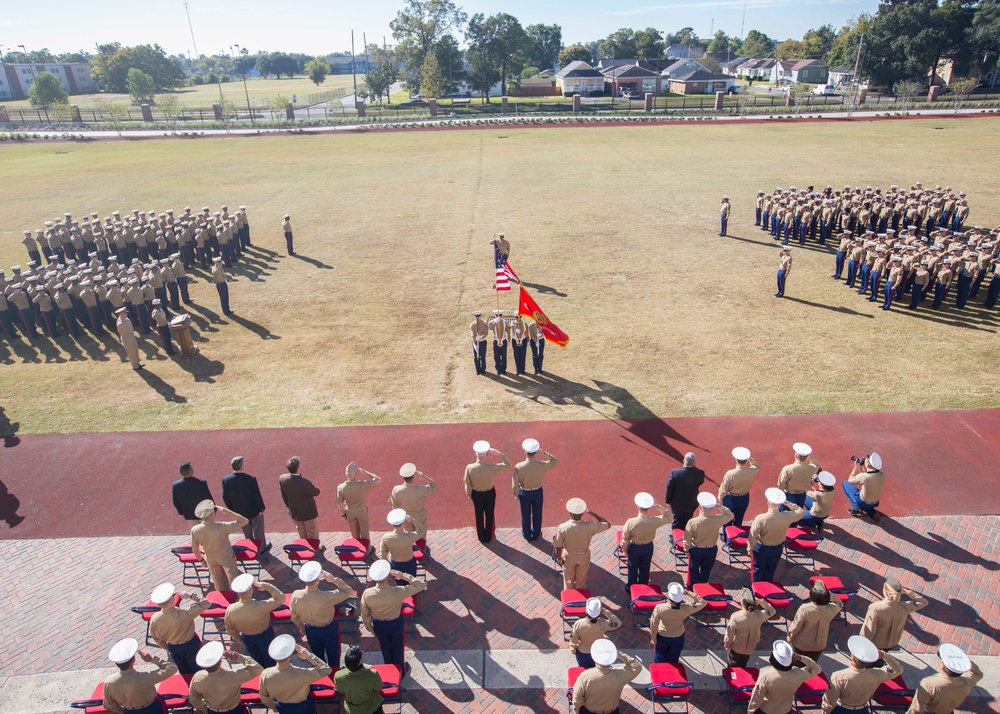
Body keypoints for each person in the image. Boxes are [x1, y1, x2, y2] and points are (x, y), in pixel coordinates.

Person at [360, 560, 427, 676]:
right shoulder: (397, 591)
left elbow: (365, 615)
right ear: (388, 576)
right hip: (395, 623)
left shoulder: (367, 593)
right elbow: (421, 585)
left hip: (379, 625)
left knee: (385, 649)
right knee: (398, 648)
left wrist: (370, 628)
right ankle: (400, 671)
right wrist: (403, 576)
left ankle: (389, 671)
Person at [290, 561, 354, 668]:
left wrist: (301, 627)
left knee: (317, 657)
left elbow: (294, 617)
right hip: (328, 629)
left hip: (310, 629)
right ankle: (334, 674)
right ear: (317, 581)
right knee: (333, 654)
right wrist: (333, 580)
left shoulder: (296, 595)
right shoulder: (326, 596)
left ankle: (322, 677)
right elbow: (348, 592)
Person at [821, 636, 902, 714]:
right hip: (863, 710)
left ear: (852, 657)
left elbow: (829, 702)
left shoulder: (839, 676)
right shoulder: (877, 675)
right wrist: (884, 655)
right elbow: (898, 669)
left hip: (842, 710)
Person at [258, 635, 332, 714]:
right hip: (304, 706)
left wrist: (273, 706)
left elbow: (264, 697)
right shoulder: (301, 673)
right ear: (290, 656)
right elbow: (326, 670)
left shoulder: (266, 674)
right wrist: (309, 656)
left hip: (283, 707)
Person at [224, 574, 285, 669]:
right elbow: (281, 598)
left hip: (247, 638)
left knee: (256, 658)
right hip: (265, 635)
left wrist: (238, 638)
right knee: (270, 657)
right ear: (251, 590)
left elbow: (230, 629)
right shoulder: (261, 605)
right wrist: (266, 586)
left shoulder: (230, 609)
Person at [148, 582, 211, 675]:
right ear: (171, 601)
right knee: (197, 669)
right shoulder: (184, 613)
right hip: (190, 645)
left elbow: (155, 637)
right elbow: (206, 603)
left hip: (173, 647)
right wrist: (190, 595)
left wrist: (167, 648)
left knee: (183, 671)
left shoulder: (154, 619)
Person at [102, 638, 178, 714]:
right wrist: (152, 659)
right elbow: (171, 668)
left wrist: (122, 712)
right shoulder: (144, 677)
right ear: (133, 660)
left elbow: (108, 705)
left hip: (129, 711)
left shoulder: (109, 682)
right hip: (153, 708)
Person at [747, 641, 822, 714]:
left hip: (766, 710)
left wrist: (750, 711)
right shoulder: (798, 674)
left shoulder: (766, 676)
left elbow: (757, 698)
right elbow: (817, 669)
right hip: (786, 710)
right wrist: (801, 658)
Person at [188, 641, 263, 714]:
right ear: (220, 662)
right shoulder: (232, 676)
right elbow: (257, 669)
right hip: (235, 710)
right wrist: (238, 657)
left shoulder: (197, 677)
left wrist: (204, 709)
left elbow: (193, 698)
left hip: (213, 711)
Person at [906, 644, 983, 714]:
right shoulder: (966, 683)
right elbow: (978, 674)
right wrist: (964, 663)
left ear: (942, 666)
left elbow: (915, 710)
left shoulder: (928, 684)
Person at [191, 499, 249, 591]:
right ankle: (238, 598)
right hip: (226, 556)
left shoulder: (195, 530)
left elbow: (194, 549)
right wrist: (227, 512)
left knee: (219, 583)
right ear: (212, 514)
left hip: (210, 557)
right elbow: (244, 521)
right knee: (233, 580)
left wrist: (201, 559)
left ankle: (224, 601)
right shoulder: (222, 526)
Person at [747, 489, 804, 582]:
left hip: (762, 548)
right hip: (777, 548)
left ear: (768, 503)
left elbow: (753, 536)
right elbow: (800, 511)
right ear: (780, 504)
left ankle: (757, 591)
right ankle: (767, 587)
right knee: (771, 569)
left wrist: (749, 549)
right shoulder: (786, 516)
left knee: (758, 569)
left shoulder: (761, 519)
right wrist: (787, 503)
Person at [552, 498, 610, 590]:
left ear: (570, 513)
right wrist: (593, 514)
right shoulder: (590, 526)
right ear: (582, 514)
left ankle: (569, 596)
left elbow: (558, 547)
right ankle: (581, 596)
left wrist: (559, 559)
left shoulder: (563, 527)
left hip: (568, 556)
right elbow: (606, 524)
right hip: (583, 555)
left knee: (568, 579)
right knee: (581, 579)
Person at [571, 639, 642, 714]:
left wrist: (577, 711)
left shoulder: (585, 676)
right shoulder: (619, 675)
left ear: (595, 660)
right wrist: (621, 655)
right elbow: (637, 666)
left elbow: (577, 698)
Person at [860, 575, 929, 650]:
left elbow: (869, 631)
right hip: (891, 643)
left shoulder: (875, 608)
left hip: (875, 644)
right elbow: (924, 602)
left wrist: (862, 645)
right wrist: (907, 592)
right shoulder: (904, 607)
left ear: (886, 593)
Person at [619, 492, 671, 591]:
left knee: (632, 567)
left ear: (638, 507)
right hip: (648, 547)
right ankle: (643, 586)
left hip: (634, 547)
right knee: (645, 567)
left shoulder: (631, 522)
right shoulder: (654, 521)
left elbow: (624, 539)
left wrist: (624, 550)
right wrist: (660, 508)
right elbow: (669, 517)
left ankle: (632, 587)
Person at [464, 440, 511, 544]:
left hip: (476, 494)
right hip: (489, 493)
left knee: (478, 514)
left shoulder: (469, 467)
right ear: (487, 454)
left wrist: (468, 494)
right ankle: (489, 537)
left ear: (475, 453)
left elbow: (467, 482)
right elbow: (508, 464)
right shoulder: (491, 468)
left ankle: (481, 537)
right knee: (490, 514)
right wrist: (498, 453)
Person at [512, 438, 559, 541]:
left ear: (525, 452)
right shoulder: (541, 465)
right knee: (537, 513)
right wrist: (545, 453)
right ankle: (536, 533)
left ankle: (527, 534)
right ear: (536, 452)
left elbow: (515, 483)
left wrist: (516, 494)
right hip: (537, 492)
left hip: (524, 492)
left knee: (525, 514)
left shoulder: (519, 466)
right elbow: (555, 461)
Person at [682, 492, 733, 587]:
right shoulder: (717, 520)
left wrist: (686, 550)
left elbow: (686, 539)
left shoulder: (692, 522)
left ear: (700, 508)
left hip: (696, 549)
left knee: (693, 571)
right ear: (711, 508)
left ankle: (693, 588)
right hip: (711, 550)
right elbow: (730, 515)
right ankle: (702, 587)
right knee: (706, 570)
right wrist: (719, 506)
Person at [649, 582, 706, 663]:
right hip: (678, 638)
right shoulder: (686, 608)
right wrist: (688, 593)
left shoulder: (659, 608)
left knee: (660, 657)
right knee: (674, 659)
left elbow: (653, 624)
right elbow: (703, 602)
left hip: (662, 637)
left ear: (669, 596)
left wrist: (653, 638)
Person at [787, 580, 843, 661]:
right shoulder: (831, 609)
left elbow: (796, 626)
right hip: (818, 645)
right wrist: (828, 594)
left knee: (796, 666)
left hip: (801, 644)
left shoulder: (805, 609)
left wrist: (790, 637)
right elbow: (839, 603)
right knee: (811, 665)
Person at [222, 457, 269, 551]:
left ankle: (251, 549)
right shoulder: (250, 479)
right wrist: (261, 509)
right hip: (254, 511)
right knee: (258, 530)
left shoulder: (226, 480)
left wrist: (233, 511)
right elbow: (257, 495)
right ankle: (262, 548)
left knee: (247, 532)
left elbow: (225, 497)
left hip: (240, 513)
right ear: (242, 466)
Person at [724, 588, 777, 668]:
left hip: (736, 647)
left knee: (733, 668)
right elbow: (772, 610)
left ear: (742, 604)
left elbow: (729, 635)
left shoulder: (736, 618)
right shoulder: (759, 616)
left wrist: (727, 645)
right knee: (743, 666)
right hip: (750, 647)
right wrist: (760, 601)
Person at [718, 447, 759, 542]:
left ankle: (726, 537)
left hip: (731, 498)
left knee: (727, 518)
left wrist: (720, 498)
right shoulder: (751, 471)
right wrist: (751, 460)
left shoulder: (730, 473)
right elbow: (757, 467)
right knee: (739, 518)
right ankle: (736, 537)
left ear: (736, 460)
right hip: (744, 497)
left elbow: (724, 488)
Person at [569, 598, 622, 669]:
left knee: (585, 670)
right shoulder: (603, 624)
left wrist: (572, 648)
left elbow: (573, 638)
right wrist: (603, 610)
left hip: (583, 653)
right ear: (598, 613)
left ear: (587, 611)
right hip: (598, 652)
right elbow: (618, 623)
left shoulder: (578, 624)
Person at [337, 462, 381, 545]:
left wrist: (343, 514)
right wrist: (366, 472)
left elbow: (340, 504)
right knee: (365, 534)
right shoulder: (361, 485)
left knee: (355, 535)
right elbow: (378, 479)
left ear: (346, 474)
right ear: (355, 474)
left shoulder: (340, 487)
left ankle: (357, 549)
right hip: (362, 511)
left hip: (350, 511)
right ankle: (367, 550)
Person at [279, 457, 321, 541]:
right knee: (312, 533)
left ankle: (305, 548)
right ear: (298, 468)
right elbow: (316, 492)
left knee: (301, 532)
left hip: (295, 512)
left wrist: (290, 506)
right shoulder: (304, 482)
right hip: (308, 512)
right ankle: (314, 551)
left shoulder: (282, 479)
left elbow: (284, 496)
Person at [389, 463, 437, 535]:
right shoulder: (421, 489)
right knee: (421, 535)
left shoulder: (396, 489)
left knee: (409, 535)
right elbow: (434, 487)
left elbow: (394, 506)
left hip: (405, 517)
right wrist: (424, 477)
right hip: (420, 516)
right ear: (413, 476)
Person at [334, 645, 385, 714]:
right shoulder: (372, 674)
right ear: (359, 661)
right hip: (372, 708)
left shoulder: (338, 676)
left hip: (352, 709)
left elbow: (340, 691)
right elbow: (378, 688)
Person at [379, 509, 426, 581]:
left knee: (400, 585)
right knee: (411, 582)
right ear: (403, 523)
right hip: (409, 563)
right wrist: (412, 521)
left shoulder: (386, 537)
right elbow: (422, 530)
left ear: (392, 524)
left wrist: (389, 567)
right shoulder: (409, 536)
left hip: (395, 564)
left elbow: (383, 554)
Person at [665, 452, 705, 533]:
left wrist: (668, 500)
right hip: (692, 502)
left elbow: (669, 487)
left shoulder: (675, 473)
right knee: (687, 520)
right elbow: (701, 482)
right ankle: (686, 537)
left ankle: (675, 539)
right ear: (695, 462)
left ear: (683, 461)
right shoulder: (700, 473)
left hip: (677, 502)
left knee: (676, 521)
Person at [777, 442, 821, 509]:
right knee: (797, 515)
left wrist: (779, 498)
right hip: (801, 495)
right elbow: (817, 465)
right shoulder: (812, 468)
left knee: (784, 515)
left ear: (796, 455)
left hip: (789, 495)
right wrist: (811, 459)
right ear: (806, 457)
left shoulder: (787, 469)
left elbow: (781, 485)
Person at [844, 453, 885, 523]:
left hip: (864, 501)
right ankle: (872, 513)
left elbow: (850, 480)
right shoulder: (882, 475)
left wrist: (856, 468)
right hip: (875, 502)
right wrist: (865, 468)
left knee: (846, 484)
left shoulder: (864, 476)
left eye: (866, 460)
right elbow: (871, 474)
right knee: (867, 501)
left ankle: (857, 509)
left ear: (868, 464)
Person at [173, 462, 214, 527]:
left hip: (190, 514)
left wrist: (181, 512)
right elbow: (208, 498)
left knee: (196, 533)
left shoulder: (176, 485)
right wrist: (213, 509)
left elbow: (175, 500)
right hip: (204, 513)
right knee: (208, 531)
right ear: (191, 471)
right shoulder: (201, 483)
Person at [489, 309, 508, 375]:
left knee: (504, 355)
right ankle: (498, 369)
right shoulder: (492, 322)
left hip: (503, 340)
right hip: (496, 340)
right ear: (495, 316)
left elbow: (508, 330)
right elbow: (490, 328)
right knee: (496, 356)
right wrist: (495, 322)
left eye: (500, 315)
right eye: (497, 315)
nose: (498, 317)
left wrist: (508, 339)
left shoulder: (504, 322)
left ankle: (503, 369)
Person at [470, 310, 488, 375]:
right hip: (475, 342)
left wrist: (481, 337)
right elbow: (472, 334)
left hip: (482, 342)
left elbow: (486, 333)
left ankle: (483, 369)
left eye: (478, 316)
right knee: (476, 357)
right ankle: (478, 370)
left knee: (483, 356)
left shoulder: (484, 323)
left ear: (480, 316)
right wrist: (474, 341)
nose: (477, 318)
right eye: (476, 317)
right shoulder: (472, 325)